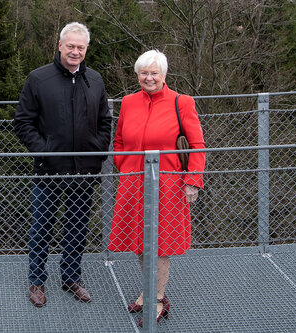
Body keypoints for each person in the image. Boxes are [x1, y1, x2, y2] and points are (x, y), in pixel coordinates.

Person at [14, 22, 112, 307]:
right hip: (50, 169)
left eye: (80, 47)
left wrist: (97, 151)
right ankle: (37, 281)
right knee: (42, 226)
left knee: (77, 226)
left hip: (85, 170)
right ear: (59, 45)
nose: (75, 51)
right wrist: (43, 151)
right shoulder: (38, 79)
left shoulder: (95, 79)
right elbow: (22, 122)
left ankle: (71, 277)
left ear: (86, 49)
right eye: (70, 46)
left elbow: (105, 121)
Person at [108, 49, 205, 325]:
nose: (148, 78)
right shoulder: (128, 102)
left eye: (154, 73)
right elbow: (119, 141)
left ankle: (157, 298)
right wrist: (124, 166)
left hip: (168, 185)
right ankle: (150, 290)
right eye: (143, 73)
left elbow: (197, 145)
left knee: (161, 244)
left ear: (164, 75)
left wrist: (192, 181)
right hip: (133, 182)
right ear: (137, 74)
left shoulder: (181, 102)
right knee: (139, 241)